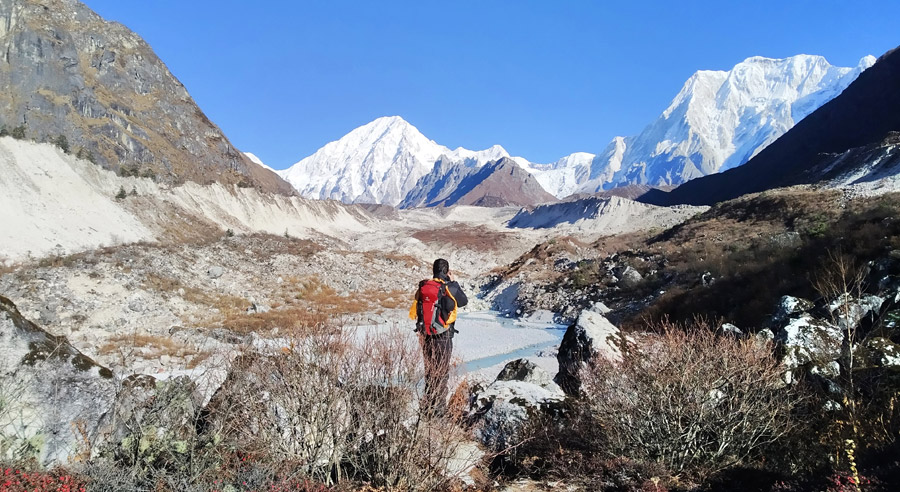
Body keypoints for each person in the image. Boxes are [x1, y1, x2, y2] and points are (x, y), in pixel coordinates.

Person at [410, 258, 468, 416]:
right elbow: (463, 301)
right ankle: (438, 413)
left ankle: (427, 407)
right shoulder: (448, 287)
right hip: (443, 336)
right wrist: (454, 282)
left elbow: (416, 308)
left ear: (434, 270)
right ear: (446, 271)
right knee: (441, 373)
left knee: (430, 370)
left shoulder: (424, 286)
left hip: (426, 335)